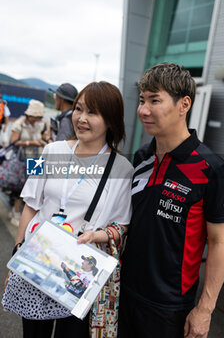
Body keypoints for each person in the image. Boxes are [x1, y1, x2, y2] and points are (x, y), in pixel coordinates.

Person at [3, 81, 133, 338]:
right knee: (33, 333)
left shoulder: (122, 168)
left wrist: (96, 236)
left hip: (77, 273)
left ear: (111, 120)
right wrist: (18, 253)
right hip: (37, 260)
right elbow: (30, 204)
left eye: (93, 113)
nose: (81, 119)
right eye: (79, 109)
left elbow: (122, 224)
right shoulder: (49, 151)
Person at [118, 63, 224, 338]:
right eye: (142, 100)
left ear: (184, 104)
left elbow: (219, 243)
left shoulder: (211, 168)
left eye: (155, 100)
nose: (144, 109)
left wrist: (205, 309)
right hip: (125, 291)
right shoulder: (141, 157)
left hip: (168, 307)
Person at [9, 99, 47, 227]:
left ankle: (23, 214)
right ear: (29, 115)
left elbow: (43, 136)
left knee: (34, 189)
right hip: (22, 159)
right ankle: (16, 213)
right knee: (21, 188)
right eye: (35, 116)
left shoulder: (40, 125)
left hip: (36, 160)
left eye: (38, 117)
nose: (36, 119)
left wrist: (43, 141)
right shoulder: (19, 124)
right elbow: (13, 142)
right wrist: (30, 143)